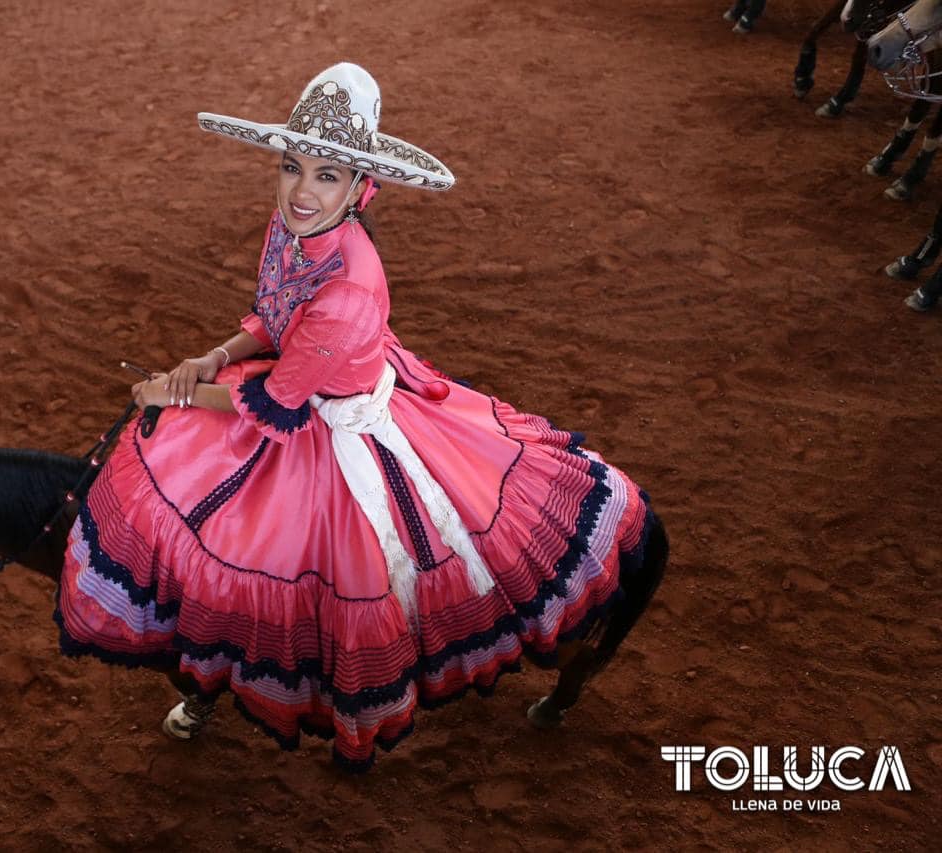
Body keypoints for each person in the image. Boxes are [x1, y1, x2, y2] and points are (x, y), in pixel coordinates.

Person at [56, 62, 657, 770]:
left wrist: (174, 394)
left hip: (328, 424)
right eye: (291, 166)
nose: (301, 190)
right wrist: (212, 357)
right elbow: (272, 315)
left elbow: (275, 403)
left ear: (360, 189)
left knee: (304, 573)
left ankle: (315, 710)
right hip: (302, 391)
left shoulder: (350, 290)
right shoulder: (290, 226)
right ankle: (210, 683)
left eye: (327, 176)